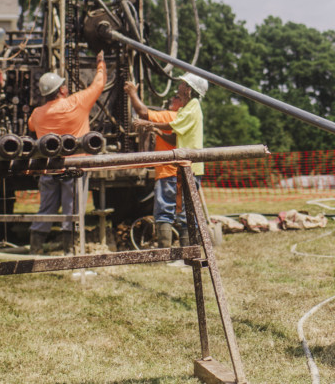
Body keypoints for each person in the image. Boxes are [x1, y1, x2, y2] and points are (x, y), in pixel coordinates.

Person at [27, 51, 106, 254]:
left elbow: (32, 127)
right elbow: (98, 84)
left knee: (46, 209)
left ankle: (34, 250)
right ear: (62, 89)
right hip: (75, 168)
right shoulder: (77, 102)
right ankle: (71, 252)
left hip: (49, 169)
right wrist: (100, 63)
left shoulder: (37, 114)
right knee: (73, 210)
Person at [124, 73, 207, 259]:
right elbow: (174, 137)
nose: (176, 90)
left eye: (181, 86)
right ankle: (178, 255)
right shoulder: (186, 110)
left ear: (188, 90)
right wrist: (153, 128)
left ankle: (183, 255)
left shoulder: (190, 108)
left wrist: (146, 117)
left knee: (174, 211)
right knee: (180, 211)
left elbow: (150, 116)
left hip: (185, 168)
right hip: (182, 168)